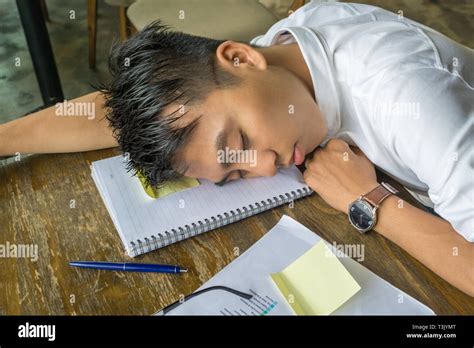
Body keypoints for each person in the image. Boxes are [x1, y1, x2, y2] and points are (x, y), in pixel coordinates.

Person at [0, 1, 472, 295]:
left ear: (241, 57)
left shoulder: (408, 100)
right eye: (235, 174)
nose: (266, 167)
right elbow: (119, 114)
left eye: (240, 142)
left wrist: (368, 203)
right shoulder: (279, 53)